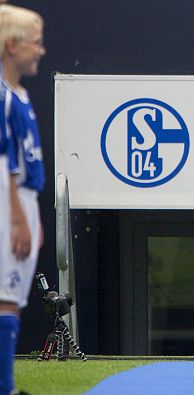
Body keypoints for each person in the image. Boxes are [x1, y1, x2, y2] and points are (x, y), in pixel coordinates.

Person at [0, 4, 45, 394]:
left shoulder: (21, 94)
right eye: (35, 43)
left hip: (23, 200)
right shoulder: (3, 98)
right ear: (12, 45)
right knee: (4, 295)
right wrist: (16, 216)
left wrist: (34, 218)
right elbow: (4, 161)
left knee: (11, 296)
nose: (41, 51)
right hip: (7, 201)